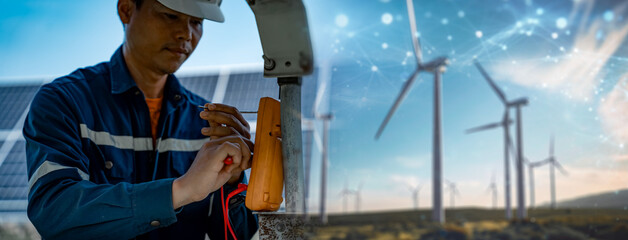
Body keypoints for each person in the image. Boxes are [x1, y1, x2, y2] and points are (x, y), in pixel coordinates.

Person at [23, 0, 258, 239]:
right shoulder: (64, 102)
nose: (186, 33)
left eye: (196, 22)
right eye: (170, 16)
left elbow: (237, 235)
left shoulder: (207, 124)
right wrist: (180, 191)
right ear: (126, 10)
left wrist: (233, 180)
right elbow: (55, 212)